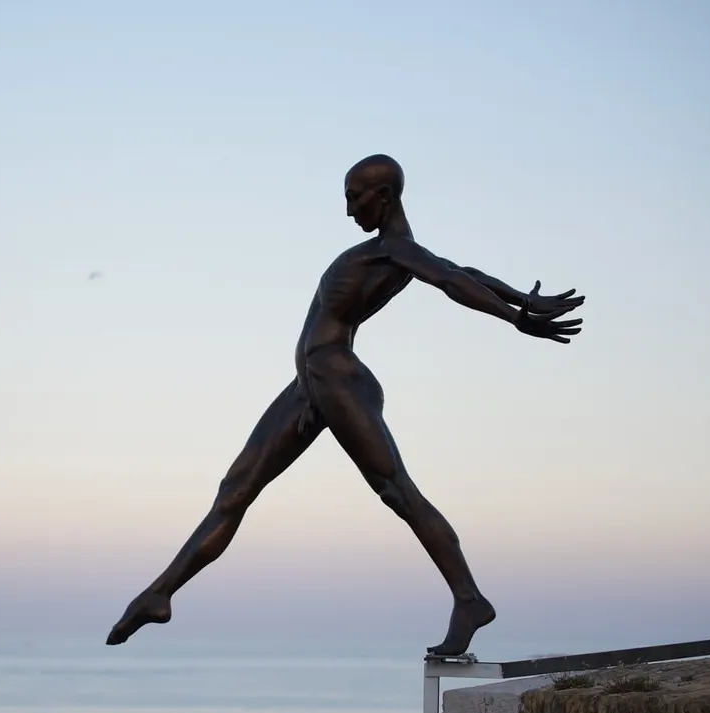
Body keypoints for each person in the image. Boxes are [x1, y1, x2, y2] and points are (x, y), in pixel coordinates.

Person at [105, 154, 584, 657]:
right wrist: (520, 300)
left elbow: (451, 280)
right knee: (236, 487)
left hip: (337, 379)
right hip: (310, 385)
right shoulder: (391, 251)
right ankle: (161, 593)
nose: (350, 208)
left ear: (386, 195)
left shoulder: (396, 250)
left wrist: (514, 318)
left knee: (396, 490)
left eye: (356, 197)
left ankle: (469, 600)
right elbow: (461, 270)